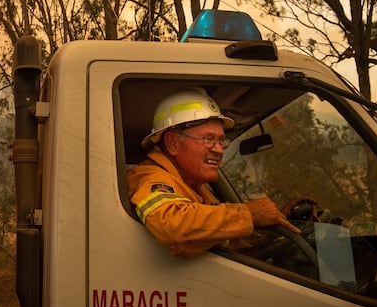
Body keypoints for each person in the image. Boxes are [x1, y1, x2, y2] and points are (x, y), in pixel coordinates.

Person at [127, 87, 300, 258]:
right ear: (173, 143)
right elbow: (174, 227)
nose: (219, 150)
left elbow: (222, 242)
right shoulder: (148, 177)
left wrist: (274, 225)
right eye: (208, 139)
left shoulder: (197, 188)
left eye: (220, 140)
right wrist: (248, 214)